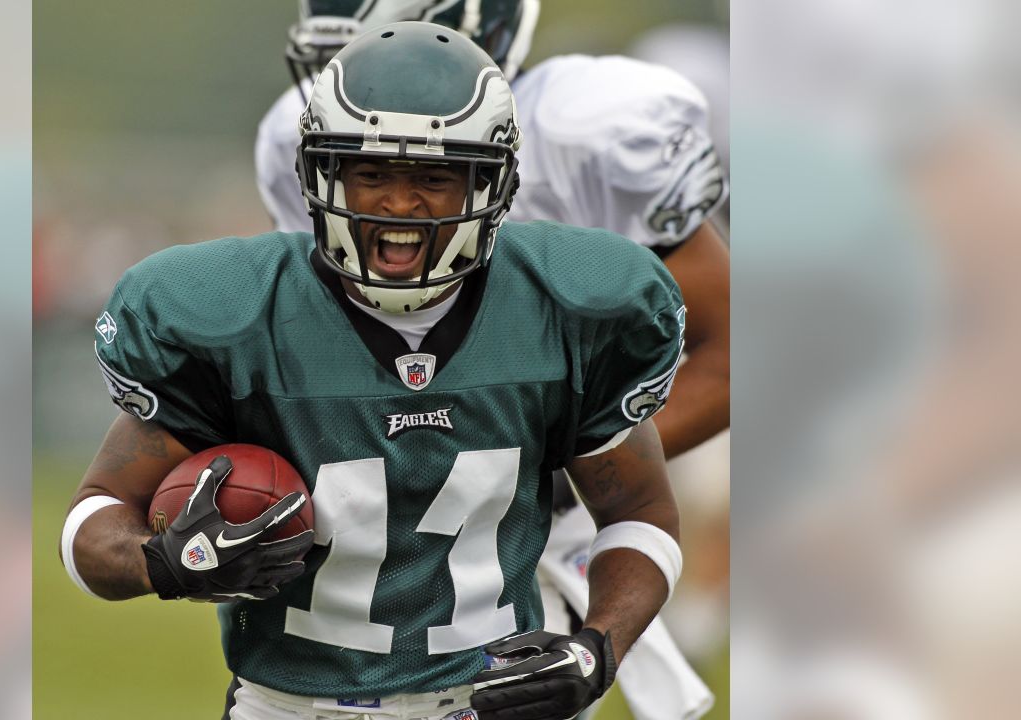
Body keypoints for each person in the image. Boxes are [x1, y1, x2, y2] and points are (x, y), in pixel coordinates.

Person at [63, 22, 686, 720]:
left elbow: (641, 513)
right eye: (371, 172)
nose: (398, 204)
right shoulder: (236, 319)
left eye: (434, 177)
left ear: (494, 184)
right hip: (292, 707)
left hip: (498, 701)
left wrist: (597, 646)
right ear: (319, 173)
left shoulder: (564, 308)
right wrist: (161, 561)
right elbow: (93, 520)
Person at [260, 2, 728, 718]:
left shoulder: (588, 134)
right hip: (373, 520)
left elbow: (732, 348)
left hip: (533, 527)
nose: (349, 85)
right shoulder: (293, 140)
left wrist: (566, 464)